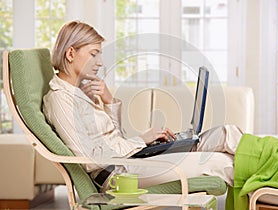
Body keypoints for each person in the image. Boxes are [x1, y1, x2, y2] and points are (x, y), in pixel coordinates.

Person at [43, 20, 243, 200]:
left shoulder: (79, 92)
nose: (100, 63)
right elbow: (90, 160)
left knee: (226, 134)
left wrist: (109, 101)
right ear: (70, 53)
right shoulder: (60, 99)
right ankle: (270, 188)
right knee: (221, 162)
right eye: (94, 54)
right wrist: (141, 140)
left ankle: (274, 167)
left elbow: (114, 137)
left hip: (130, 161)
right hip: (119, 176)